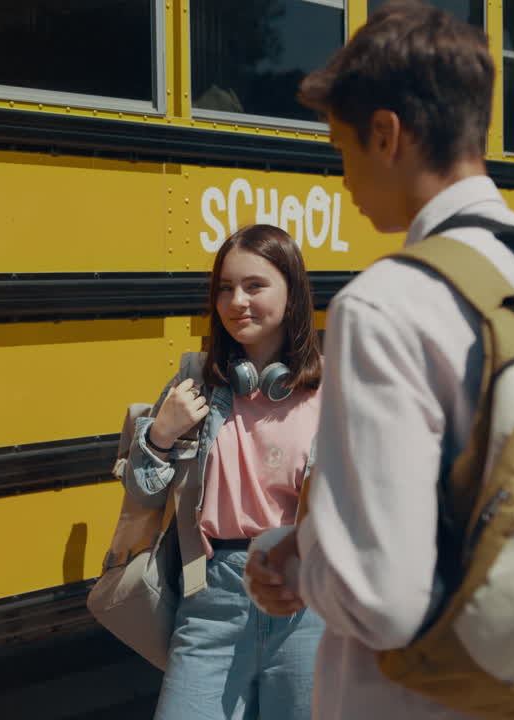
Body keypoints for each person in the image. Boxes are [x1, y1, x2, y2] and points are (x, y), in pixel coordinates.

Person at [244, 3, 514, 719]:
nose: (341, 179)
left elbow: (383, 598)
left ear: (386, 134)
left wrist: (298, 565)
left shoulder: (385, 305)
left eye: (342, 149)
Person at [124, 224, 325, 720]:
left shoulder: (333, 389)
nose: (237, 301)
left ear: (292, 292)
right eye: (225, 288)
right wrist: (159, 437)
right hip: (211, 594)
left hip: (307, 602)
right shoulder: (196, 379)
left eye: (255, 286)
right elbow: (139, 492)